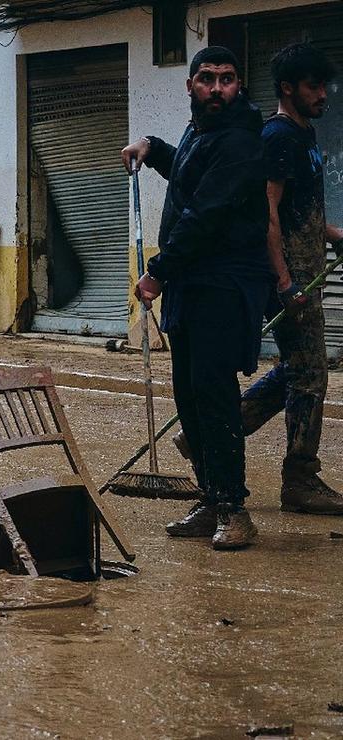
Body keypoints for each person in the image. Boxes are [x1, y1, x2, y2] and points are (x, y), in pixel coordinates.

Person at [122, 46, 273, 550]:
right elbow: (188, 178)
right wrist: (154, 147)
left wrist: (158, 272)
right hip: (192, 284)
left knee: (214, 393)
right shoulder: (199, 131)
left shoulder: (241, 140)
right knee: (188, 392)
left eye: (227, 79)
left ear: (238, 87)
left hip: (223, 285)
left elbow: (206, 213)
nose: (216, 88)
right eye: (206, 79)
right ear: (190, 86)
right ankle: (210, 500)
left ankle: (234, 507)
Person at [232, 43, 343, 515]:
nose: (323, 94)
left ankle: (212, 435)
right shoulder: (277, 136)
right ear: (287, 88)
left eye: (324, 85)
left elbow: (301, 210)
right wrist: (284, 283)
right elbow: (268, 214)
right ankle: (300, 479)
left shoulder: (305, 133)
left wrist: (334, 234)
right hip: (292, 279)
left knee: (297, 371)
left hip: (306, 268)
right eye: (313, 86)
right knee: (311, 374)